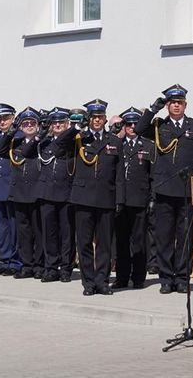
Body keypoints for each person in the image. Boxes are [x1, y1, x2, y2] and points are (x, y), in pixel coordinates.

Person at [135, 84, 193, 294]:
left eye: (180, 103)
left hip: (186, 190)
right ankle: (166, 278)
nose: (176, 106)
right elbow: (139, 129)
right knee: (164, 236)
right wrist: (151, 110)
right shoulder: (159, 125)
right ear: (167, 106)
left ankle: (183, 277)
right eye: (172, 103)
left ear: (185, 105)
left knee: (184, 236)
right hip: (164, 188)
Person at [58, 99, 125, 296]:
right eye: (93, 117)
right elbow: (59, 144)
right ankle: (88, 283)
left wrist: (119, 199)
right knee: (84, 242)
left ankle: (102, 281)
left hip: (106, 197)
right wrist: (76, 126)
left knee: (104, 243)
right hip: (83, 197)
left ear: (105, 119)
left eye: (100, 117)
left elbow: (119, 174)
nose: (97, 120)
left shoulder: (114, 141)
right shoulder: (79, 137)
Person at [0, 107, 44, 279]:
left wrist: (40, 136)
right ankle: (27, 264)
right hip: (19, 192)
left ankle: (39, 264)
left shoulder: (42, 142)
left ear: (37, 125)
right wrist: (11, 132)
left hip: (37, 192)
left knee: (38, 232)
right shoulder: (15, 142)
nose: (29, 126)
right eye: (25, 123)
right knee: (23, 232)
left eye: (32, 123)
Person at [113, 107, 154, 290]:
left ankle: (138, 277)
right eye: (127, 124)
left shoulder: (147, 145)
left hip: (139, 198)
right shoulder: (116, 144)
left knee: (139, 241)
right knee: (121, 240)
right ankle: (122, 277)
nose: (131, 127)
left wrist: (152, 198)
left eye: (134, 123)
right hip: (121, 200)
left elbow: (152, 175)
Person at [35, 107, 76, 283]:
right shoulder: (43, 142)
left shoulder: (72, 140)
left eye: (61, 122)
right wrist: (41, 133)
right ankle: (51, 267)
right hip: (47, 193)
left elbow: (64, 143)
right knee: (49, 233)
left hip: (66, 192)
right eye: (55, 122)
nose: (58, 125)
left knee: (67, 234)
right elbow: (29, 149)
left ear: (67, 124)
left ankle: (66, 268)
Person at [0, 103, 22, 276]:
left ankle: (16, 260)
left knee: (14, 226)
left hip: (11, 186)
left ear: (13, 118)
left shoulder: (19, 135)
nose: (2, 121)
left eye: (6, 118)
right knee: (2, 227)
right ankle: (6, 258)